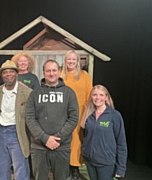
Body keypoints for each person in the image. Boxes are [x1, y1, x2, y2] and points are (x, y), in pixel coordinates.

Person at [26, 59, 79, 180]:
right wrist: (45, 139)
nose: (51, 73)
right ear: (43, 73)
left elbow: (73, 118)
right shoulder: (35, 94)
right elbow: (30, 118)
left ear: (59, 72)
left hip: (62, 147)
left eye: (54, 70)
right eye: (48, 71)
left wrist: (57, 139)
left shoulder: (69, 93)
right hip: (39, 147)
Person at [0, 60, 32, 180]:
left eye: (11, 71)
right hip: (0, 132)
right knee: (2, 168)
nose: (8, 74)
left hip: (17, 133)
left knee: (20, 169)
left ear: (16, 74)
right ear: (2, 75)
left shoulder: (27, 92)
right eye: (5, 72)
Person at [81, 85, 127, 180]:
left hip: (106, 163)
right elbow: (86, 137)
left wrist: (121, 168)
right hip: (90, 161)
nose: (98, 98)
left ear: (107, 97)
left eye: (101, 95)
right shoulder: (88, 115)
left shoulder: (114, 116)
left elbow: (121, 143)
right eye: (95, 95)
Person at [61, 50, 92, 179]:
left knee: (77, 141)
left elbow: (89, 94)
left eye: (74, 59)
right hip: (63, 113)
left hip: (80, 112)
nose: (71, 61)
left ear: (77, 61)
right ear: (65, 60)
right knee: (64, 139)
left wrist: (87, 114)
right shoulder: (60, 76)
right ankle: (64, 167)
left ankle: (75, 168)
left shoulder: (84, 75)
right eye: (69, 59)